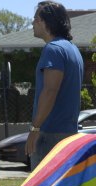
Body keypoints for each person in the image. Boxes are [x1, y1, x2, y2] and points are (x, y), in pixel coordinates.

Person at [25, 1, 84, 171]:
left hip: (49, 134)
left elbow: (51, 90)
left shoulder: (53, 49)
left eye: (36, 19)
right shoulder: (72, 49)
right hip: (68, 134)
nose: (32, 23)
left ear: (46, 22)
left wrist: (35, 128)